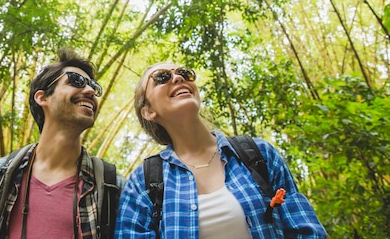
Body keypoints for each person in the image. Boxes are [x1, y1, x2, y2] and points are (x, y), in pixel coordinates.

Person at [115, 62, 328, 239]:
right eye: (162, 77)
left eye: (184, 73)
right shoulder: (142, 183)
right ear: (149, 111)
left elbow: (306, 231)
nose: (178, 78)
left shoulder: (258, 154)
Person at [0, 47, 125, 239]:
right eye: (76, 81)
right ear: (42, 97)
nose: (91, 91)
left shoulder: (113, 188)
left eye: (94, 86)